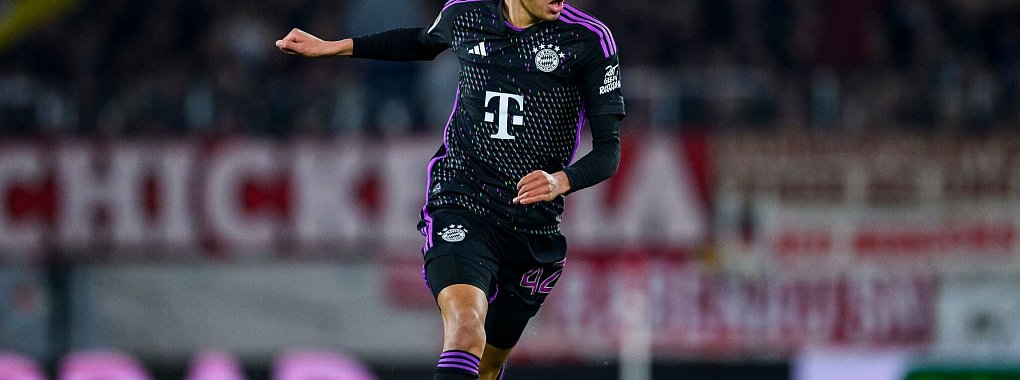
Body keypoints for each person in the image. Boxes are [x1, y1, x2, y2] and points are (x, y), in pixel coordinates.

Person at [276, 0, 624, 378]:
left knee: (489, 366)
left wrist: (561, 180)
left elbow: (609, 150)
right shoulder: (467, 15)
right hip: (462, 203)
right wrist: (333, 46)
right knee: (465, 327)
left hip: (532, 225)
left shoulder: (589, 39)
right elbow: (423, 42)